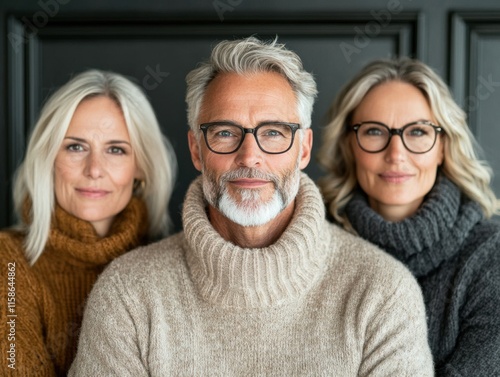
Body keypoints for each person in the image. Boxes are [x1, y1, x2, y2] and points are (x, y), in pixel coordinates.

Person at [69, 37, 433, 376]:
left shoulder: (382, 293)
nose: (250, 157)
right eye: (225, 132)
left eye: (273, 132)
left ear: (303, 149)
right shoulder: (129, 294)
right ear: (197, 149)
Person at [317, 57, 500, 375]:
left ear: (442, 146)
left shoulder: (491, 256)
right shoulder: (314, 244)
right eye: (374, 131)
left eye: (417, 131)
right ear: (349, 144)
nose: (396, 154)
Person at [0, 69, 176, 376]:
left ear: (141, 168)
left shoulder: (172, 263)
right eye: (75, 147)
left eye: (116, 149)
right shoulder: (9, 265)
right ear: (48, 157)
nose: (94, 169)